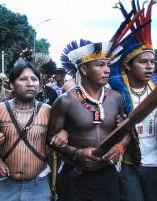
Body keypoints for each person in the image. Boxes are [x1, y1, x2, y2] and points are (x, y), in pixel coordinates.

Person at [47, 41, 130, 201]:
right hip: (75, 175)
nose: (107, 70)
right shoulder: (66, 101)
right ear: (84, 69)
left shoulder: (116, 98)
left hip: (107, 175)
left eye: (108, 65)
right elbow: (50, 139)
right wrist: (77, 153)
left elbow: (126, 132)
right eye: (100, 65)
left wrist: (120, 147)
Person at [108, 1, 157, 201]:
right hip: (128, 163)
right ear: (128, 65)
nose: (149, 67)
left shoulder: (155, 92)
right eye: (143, 62)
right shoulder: (115, 94)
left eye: (153, 62)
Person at [0, 60, 51, 201]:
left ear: (39, 85)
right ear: (11, 84)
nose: (30, 83)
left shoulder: (48, 111)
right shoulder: (0, 109)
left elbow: (57, 138)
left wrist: (63, 133)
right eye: (23, 79)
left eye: (34, 79)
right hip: (6, 183)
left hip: (38, 185)